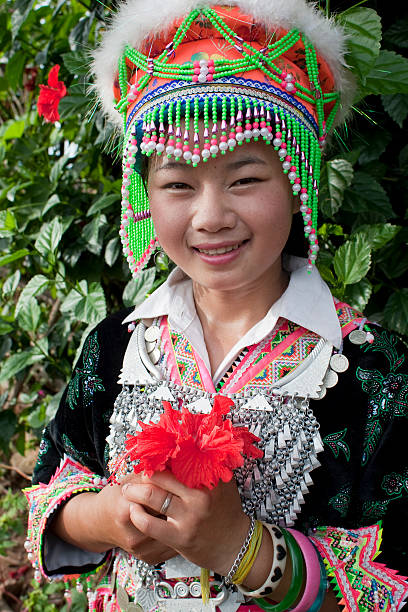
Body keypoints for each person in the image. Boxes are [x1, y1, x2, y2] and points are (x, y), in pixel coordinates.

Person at [24, 1, 408, 610]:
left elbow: (397, 574)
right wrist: (109, 515)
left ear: (298, 179)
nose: (210, 218)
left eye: (245, 178)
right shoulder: (116, 347)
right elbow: (54, 495)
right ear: (144, 196)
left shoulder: (374, 371)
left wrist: (241, 546)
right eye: (177, 183)